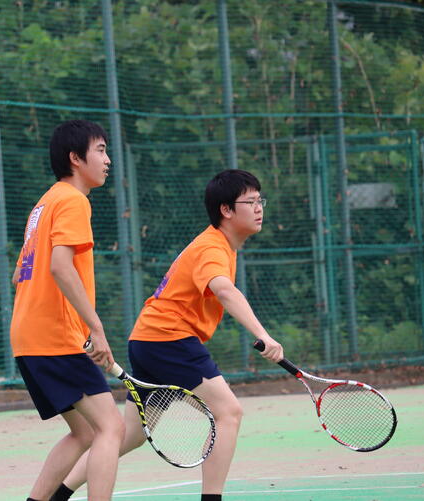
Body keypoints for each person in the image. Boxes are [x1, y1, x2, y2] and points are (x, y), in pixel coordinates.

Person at [51, 169, 284, 501]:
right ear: (226, 210)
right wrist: (265, 336)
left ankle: (59, 494)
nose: (259, 207)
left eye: (261, 200)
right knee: (229, 412)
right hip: (168, 340)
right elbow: (225, 291)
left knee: (130, 433)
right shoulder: (212, 248)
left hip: (148, 340)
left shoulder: (219, 246)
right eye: (250, 201)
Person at [10, 120, 125, 501]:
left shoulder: (44, 204)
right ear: (76, 158)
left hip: (28, 338)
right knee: (111, 427)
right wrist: (96, 328)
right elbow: (60, 267)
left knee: (86, 432)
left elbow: (19, 274)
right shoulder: (75, 200)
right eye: (101, 150)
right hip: (56, 338)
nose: (108, 160)